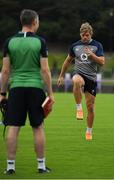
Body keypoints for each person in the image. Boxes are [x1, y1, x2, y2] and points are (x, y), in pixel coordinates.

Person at [0, 9, 54, 174]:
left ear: (21, 21)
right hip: (36, 88)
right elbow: (45, 71)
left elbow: (6, 71)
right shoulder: (40, 42)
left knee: (13, 127)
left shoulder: (9, 42)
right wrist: (50, 93)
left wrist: (2, 93)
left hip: (16, 89)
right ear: (35, 22)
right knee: (37, 127)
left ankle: (10, 167)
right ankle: (41, 166)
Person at [57, 22, 105, 140]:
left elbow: (102, 62)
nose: (85, 37)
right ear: (80, 34)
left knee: (90, 107)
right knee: (77, 81)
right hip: (78, 73)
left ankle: (89, 131)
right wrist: (61, 76)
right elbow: (68, 61)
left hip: (91, 78)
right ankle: (78, 107)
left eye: (87, 35)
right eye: (83, 35)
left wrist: (92, 55)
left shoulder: (97, 45)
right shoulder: (75, 46)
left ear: (91, 34)